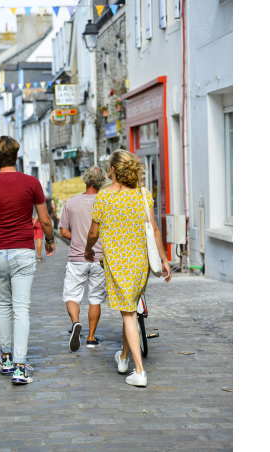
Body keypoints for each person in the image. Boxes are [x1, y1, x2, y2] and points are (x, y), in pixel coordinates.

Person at [0, 136, 55, 386]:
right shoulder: (32, 183)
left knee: (2, 306)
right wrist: (49, 240)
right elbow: (45, 219)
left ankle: (6, 359)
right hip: (24, 252)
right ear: (16, 156)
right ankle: (20, 366)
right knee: (21, 308)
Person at [85, 150, 172, 387]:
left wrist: (88, 249)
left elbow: (93, 232)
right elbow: (154, 230)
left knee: (129, 314)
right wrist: (164, 260)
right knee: (129, 309)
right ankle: (123, 358)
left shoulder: (104, 197)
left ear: (112, 170)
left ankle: (140, 372)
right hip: (139, 264)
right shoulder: (142, 195)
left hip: (116, 263)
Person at [59, 166, 107, 352]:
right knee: (95, 298)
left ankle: (76, 322)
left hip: (77, 258)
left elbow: (63, 231)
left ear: (85, 180)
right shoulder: (106, 201)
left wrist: (78, 237)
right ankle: (91, 337)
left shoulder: (71, 203)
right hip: (100, 259)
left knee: (72, 295)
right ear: (102, 181)